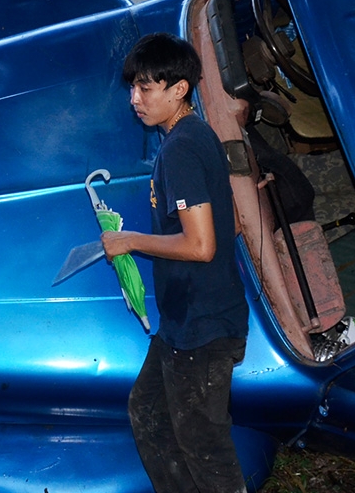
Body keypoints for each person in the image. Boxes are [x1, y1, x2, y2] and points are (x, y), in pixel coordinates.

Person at [101, 32, 249, 493]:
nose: (135, 99)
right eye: (133, 88)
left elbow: (201, 245)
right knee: (149, 415)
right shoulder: (192, 136)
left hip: (203, 327)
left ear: (178, 89)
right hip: (185, 323)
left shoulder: (182, 149)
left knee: (205, 448)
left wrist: (129, 241)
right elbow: (233, 225)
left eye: (145, 88)